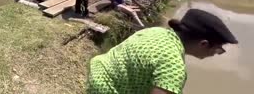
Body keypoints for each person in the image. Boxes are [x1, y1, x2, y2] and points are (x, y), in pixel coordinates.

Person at [88, 9, 238, 94]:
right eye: (219, 49)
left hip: (98, 74)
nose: (216, 54)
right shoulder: (173, 67)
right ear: (204, 44)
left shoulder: (156, 32)